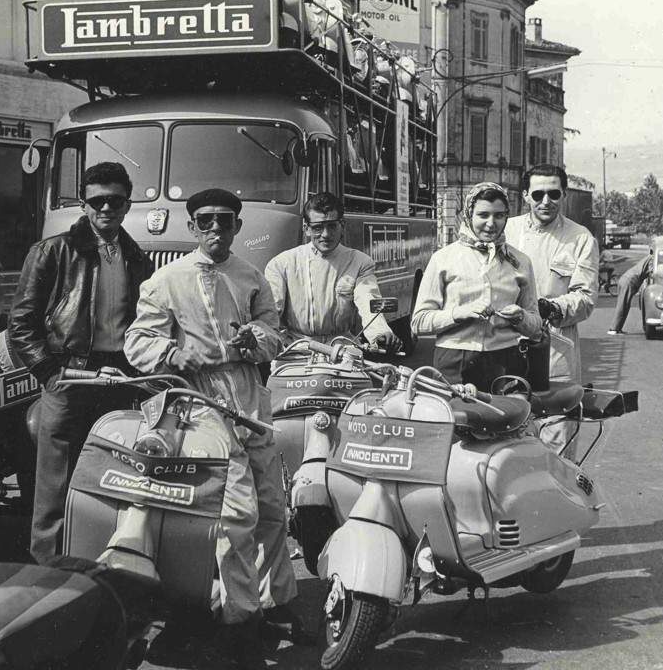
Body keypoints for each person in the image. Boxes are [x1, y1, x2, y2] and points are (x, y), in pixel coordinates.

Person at [124, 188, 299, 670]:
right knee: (235, 511)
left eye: (225, 220)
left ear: (238, 226)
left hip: (249, 395)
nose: (216, 229)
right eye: (205, 221)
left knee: (271, 506)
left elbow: (273, 333)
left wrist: (256, 339)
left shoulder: (250, 276)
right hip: (201, 403)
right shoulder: (166, 280)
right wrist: (174, 354)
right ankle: (238, 624)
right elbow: (138, 341)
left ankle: (275, 602)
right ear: (192, 227)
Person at [9, 161, 153, 563]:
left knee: (113, 473)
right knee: (55, 482)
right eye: (97, 202)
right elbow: (20, 323)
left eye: (115, 201)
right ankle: (48, 570)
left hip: (120, 378)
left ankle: (103, 563)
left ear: (127, 205)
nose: (106, 209)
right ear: (83, 204)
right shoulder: (52, 252)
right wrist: (50, 373)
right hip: (69, 376)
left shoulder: (136, 257)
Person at [505, 165, 599, 460]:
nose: (546, 201)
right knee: (507, 443)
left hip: (556, 353)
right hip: (505, 349)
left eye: (554, 193)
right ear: (525, 196)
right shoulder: (506, 231)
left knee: (558, 447)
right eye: (538, 194)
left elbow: (586, 298)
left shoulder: (581, 238)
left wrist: (551, 307)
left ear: (564, 195)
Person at [411, 183, 542, 389]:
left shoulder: (520, 261)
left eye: (499, 216)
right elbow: (418, 322)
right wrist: (459, 313)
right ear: (468, 215)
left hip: (506, 362)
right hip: (453, 363)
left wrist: (521, 317)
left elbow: (536, 328)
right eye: (483, 215)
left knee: (505, 419)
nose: (491, 224)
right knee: (455, 420)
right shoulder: (443, 259)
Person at [264, 192, 402, 352]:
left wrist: (380, 333)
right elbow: (272, 310)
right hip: (295, 350)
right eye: (317, 228)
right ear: (306, 228)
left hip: (343, 350)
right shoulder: (281, 263)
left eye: (331, 226)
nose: (326, 234)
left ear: (342, 225)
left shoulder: (359, 262)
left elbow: (368, 300)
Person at [607, 254, 653, 335]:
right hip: (629, 280)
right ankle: (613, 329)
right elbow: (653, 273)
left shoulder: (649, 258)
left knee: (624, 305)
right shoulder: (652, 259)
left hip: (627, 279)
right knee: (623, 305)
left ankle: (617, 328)